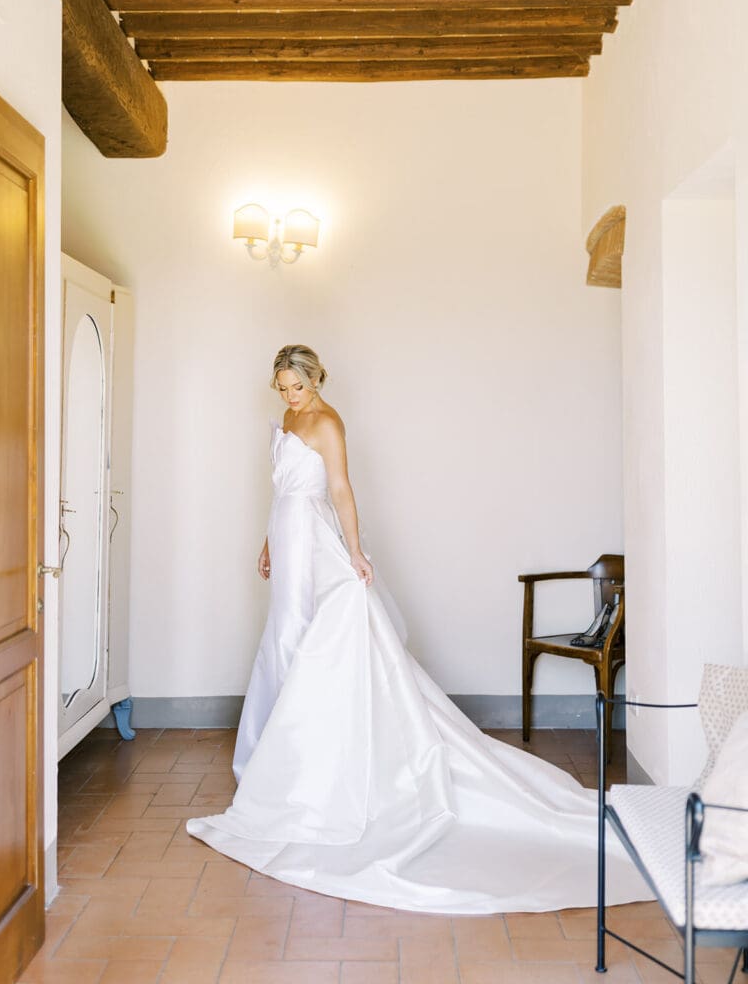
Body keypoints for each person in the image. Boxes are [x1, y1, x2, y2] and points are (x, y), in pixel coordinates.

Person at [186, 344, 649, 915]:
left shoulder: (328, 422)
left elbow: (338, 493)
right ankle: (275, 768)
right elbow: (283, 493)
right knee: (282, 640)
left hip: (315, 545)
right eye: (280, 387)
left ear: (315, 380)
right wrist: (266, 544)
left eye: (295, 387)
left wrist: (355, 554)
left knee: (309, 642)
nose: (287, 397)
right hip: (287, 537)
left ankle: (312, 773)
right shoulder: (286, 420)